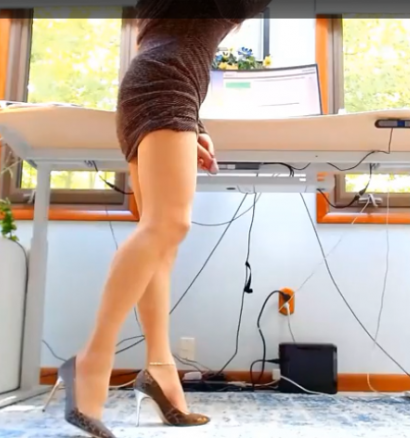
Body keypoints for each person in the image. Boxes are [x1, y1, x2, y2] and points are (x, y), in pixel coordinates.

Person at [56, 1, 273, 437]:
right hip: (165, 83)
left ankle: (160, 369)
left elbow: (176, 32)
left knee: (161, 240)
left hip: (162, 83)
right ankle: (92, 360)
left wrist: (195, 124)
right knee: (169, 225)